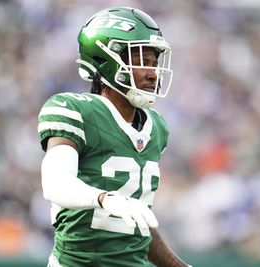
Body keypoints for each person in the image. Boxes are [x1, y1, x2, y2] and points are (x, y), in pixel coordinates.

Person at [37, 6, 192, 267]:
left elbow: (135, 224)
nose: (153, 73)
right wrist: (104, 199)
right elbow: (55, 184)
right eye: (142, 61)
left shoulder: (156, 127)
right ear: (104, 58)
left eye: (154, 63)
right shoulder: (75, 110)